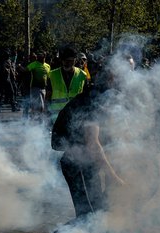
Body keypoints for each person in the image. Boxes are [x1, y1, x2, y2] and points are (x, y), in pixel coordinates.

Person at [51, 65, 124, 218]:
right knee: (88, 216)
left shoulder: (99, 95)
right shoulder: (94, 101)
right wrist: (112, 176)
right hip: (78, 164)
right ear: (110, 79)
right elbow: (93, 144)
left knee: (96, 212)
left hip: (87, 162)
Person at [47, 47, 88, 123]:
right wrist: (47, 115)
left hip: (76, 119)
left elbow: (85, 99)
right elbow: (48, 97)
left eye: (69, 61)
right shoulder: (52, 75)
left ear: (75, 61)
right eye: (64, 60)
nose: (66, 63)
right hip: (56, 119)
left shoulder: (82, 75)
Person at [26, 52, 51, 116]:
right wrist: (20, 67)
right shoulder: (33, 64)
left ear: (44, 57)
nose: (40, 58)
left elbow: (48, 77)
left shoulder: (47, 66)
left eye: (42, 57)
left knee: (40, 107)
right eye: (39, 57)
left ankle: (32, 117)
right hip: (35, 88)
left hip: (44, 89)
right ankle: (37, 120)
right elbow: (26, 70)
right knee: (40, 106)